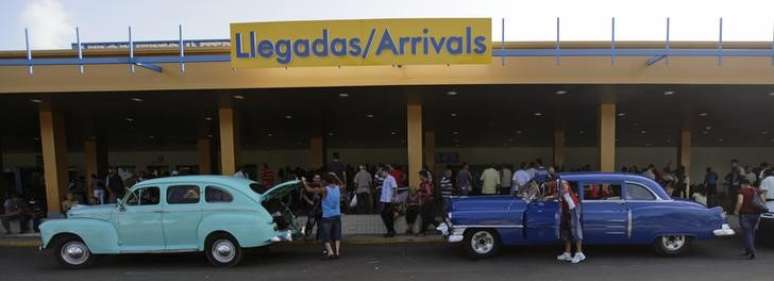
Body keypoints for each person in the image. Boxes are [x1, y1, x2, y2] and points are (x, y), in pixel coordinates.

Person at [303, 173, 344, 259]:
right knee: (337, 235)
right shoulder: (338, 188)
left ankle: (330, 252)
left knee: (325, 235)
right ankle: (337, 252)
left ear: (325, 181)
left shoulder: (325, 190)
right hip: (337, 215)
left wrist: (304, 182)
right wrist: (336, 176)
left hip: (327, 217)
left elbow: (309, 190)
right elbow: (343, 184)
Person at [549, 178, 586, 264]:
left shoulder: (562, 184)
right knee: (566, 229)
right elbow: (559, 196)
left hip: (572, 208)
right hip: (566, 208)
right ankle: (567, 253)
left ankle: (579, 253)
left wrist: (570, 212)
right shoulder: (558, 184)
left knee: (575, 228)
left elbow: (568, 198)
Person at [734, 178, 763, 259]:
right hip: (756, 214)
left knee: (747, 232)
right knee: (751, 232)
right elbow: (763, 201)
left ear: (743, 184)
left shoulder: (742, 191)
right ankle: (747, 250)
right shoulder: (757, 190)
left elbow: (740, 202)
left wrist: (736, 211)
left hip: (745, 214)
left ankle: (751, 250)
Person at [300, 174, 323, 241]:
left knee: (320, 225)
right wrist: (309, 201)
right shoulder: (310, 185)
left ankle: (319, 238)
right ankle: (306, 235)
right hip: (312, 209)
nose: (317, 180)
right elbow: (303, 194)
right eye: (316, 178)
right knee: (311, 223)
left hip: (320, 208)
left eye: (319, 178)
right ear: (313, 179)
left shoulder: (321, 186)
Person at [379, 168, 398, 237]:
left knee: (385, 215)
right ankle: (391, 231)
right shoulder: (385, 179)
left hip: (390, 201)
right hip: (385, 201)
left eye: (382, 172)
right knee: (389, 216)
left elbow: (395, 188)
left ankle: (391, 231)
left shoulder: (391, 178)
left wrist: (393, 197)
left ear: (386, 172)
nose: (381, 174)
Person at [417, 170, 436, 235]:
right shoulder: (425, 183)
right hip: (428, 202)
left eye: (420, 175)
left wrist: (422, 199)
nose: (419, 177)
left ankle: (423, 231)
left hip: (427, 202)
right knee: (426, 217)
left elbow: (429, 193)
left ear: (422, 176)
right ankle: (423, 231)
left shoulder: (426, 183)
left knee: (426, 217)